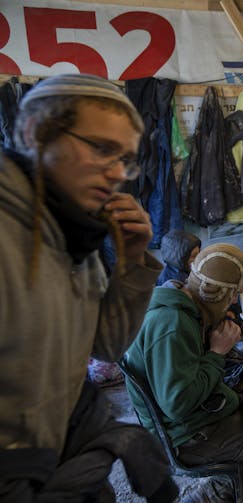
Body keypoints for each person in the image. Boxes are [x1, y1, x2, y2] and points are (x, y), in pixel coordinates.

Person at [0, 74, 177, 500]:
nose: (118, 173)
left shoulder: (74, 233)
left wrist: (133, 262)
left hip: (65, 464)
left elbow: (106, 346)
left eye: (127, 159)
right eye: (100, 148)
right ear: (34, 133)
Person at [124, 243, 243, 502]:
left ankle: (232, 488)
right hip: (184, 436)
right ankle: (226, 494)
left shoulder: (182, 302)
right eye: (232, 295)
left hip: (191, 417)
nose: (233, 302)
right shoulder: (173, 325)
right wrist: (216, 354)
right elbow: (177, 404)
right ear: (214, 292)